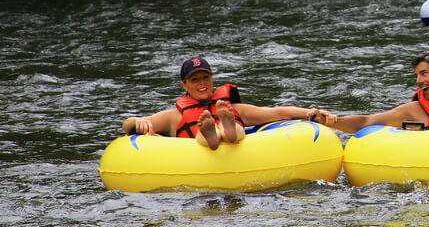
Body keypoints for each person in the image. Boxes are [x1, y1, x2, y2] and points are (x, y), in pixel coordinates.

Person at [121, 57, 335, 150]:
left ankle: (227, 130)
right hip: (194, 155)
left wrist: (309, 112)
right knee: (208, 133)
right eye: (195, 80)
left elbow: (276, 113)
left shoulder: (228, 106)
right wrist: (136, 121)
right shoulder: (173, 117)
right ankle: (212, 134)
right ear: (184, 85)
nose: (202, 83)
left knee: (232, 123)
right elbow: (127, 126)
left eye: (206, 78)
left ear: (212, 79)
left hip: (231, 136)